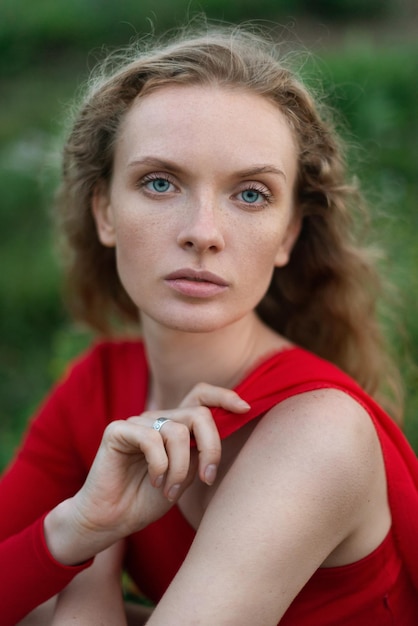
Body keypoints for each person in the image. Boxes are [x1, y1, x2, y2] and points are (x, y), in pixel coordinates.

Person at [1, 24, 418, 625]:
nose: (203, 231)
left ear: (289, 234)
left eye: (250, 194)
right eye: (160, 182)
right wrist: (79, 527)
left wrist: (91, 566)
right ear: (105, 211)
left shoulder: (318, 434)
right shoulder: (97, 389)